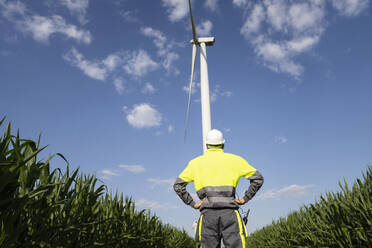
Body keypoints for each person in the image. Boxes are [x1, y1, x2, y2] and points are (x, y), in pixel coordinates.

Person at [173, 129, 264, 248]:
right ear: (223, 144)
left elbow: (178, 185)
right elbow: (258, 179)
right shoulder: (235, 160)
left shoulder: (195, 163)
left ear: (206, 145)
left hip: (208, 216)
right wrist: (245, 199)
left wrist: (193, 203)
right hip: (230, 215)